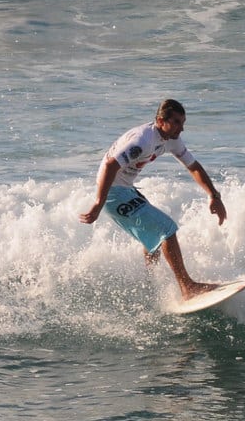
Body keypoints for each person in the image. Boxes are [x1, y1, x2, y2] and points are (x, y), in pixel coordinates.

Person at [79, 99, 228, 300]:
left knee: (153, 238)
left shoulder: (170, 139)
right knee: (166, 229)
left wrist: (214, 195)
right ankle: (187, 287)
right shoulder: (143, 140)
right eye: (176, 122)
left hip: (125, 189)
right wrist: (98, 203)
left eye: (183, 123)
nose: (181, 128)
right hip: (113, 192)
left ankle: (150, 285)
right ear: (160, 120)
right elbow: (110, 166)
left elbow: (193, 166)